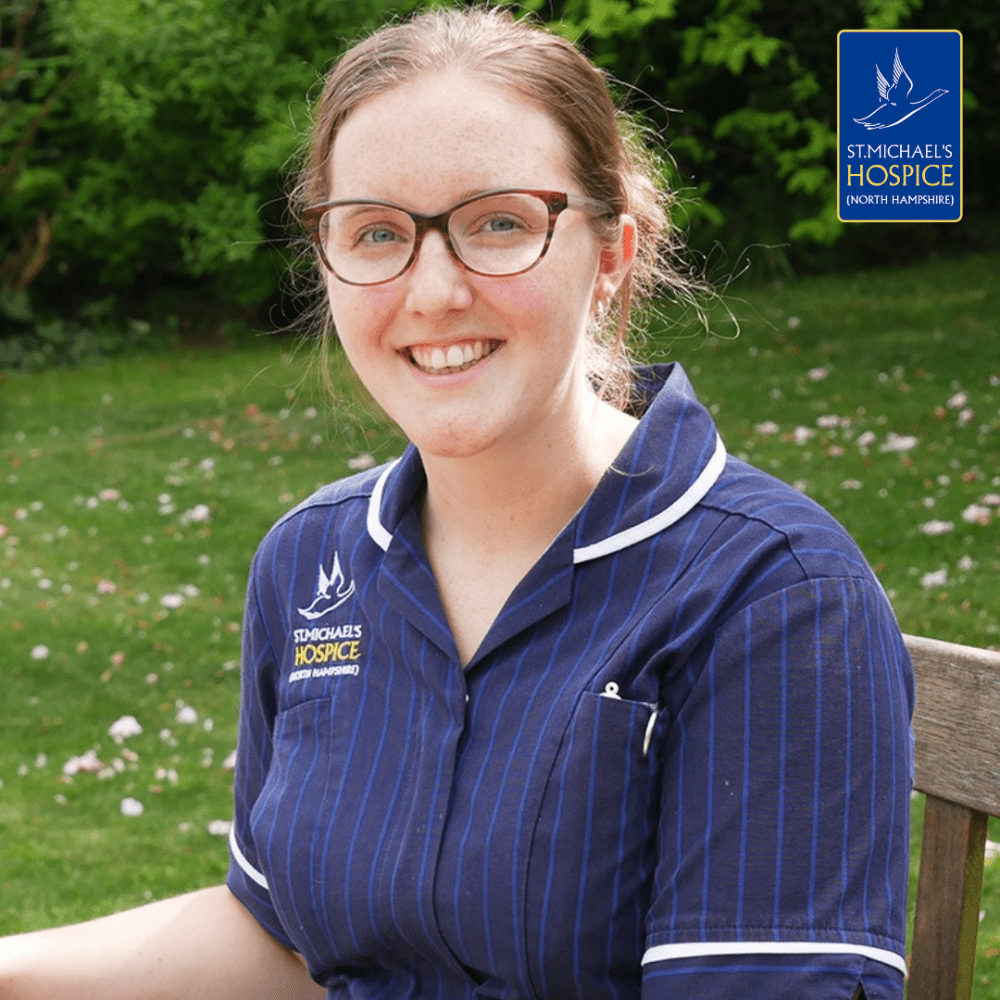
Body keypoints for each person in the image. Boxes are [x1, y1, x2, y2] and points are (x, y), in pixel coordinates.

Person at [0, 7, 914, 1000]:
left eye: (499, 223)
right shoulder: (313, 560)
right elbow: (283, 940)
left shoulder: (771, 595)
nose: (431, 291)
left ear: (611, 253)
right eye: (378, 232)